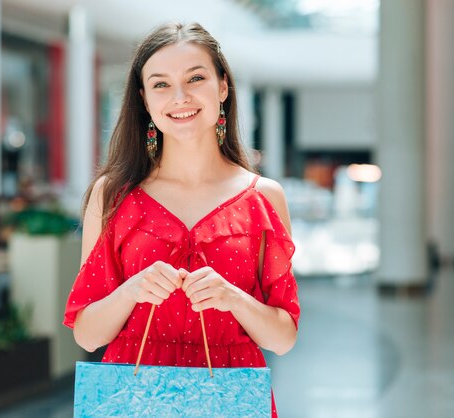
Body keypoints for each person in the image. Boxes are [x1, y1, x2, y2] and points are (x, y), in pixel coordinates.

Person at [64, 22, 300, 417]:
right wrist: (132, 290)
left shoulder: (264, 197)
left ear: (222, 87)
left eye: (195, 78)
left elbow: (283, 338)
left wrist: (232, 298)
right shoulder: (114, 194)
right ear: (143, 99)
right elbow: (87, 333)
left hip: (231, 392)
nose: (180, 97)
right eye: (160, 84)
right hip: (132, 394)